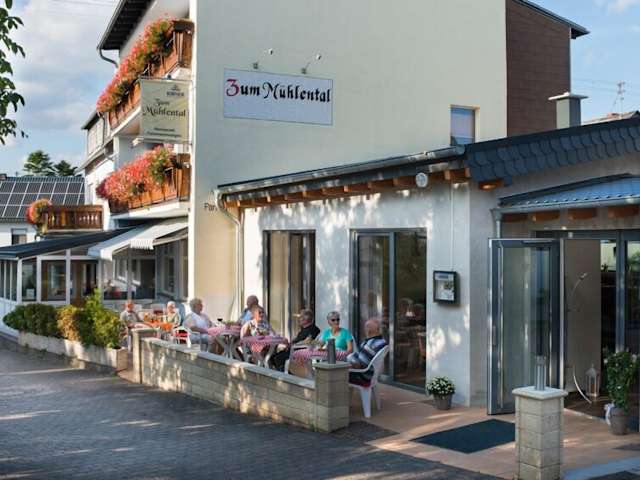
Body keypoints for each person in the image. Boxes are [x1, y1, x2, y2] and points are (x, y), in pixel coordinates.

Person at [347, 319, 388, 386]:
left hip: (363, 377)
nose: (364, 330)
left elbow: (360, 365)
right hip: (372, 375)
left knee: (338, 373)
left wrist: (348, 362)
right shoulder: (382, 341)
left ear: (368, 331)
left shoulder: (370, 344)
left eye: (365, 328)